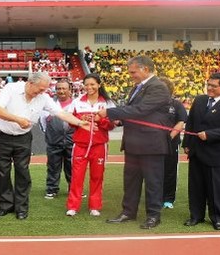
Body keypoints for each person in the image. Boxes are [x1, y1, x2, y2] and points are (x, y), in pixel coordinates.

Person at [0, 72, 89, 220]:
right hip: (2, 136)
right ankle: (5, 205)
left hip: (23, 138)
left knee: (22, 172)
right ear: (30, 83)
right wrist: (17, 119)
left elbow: (60, 113)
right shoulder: (11, 88)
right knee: (2, 172)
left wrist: (79, 122)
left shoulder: (43, 97)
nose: (42, 92)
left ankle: (21, 208)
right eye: (40, 89)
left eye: (44, 89)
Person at [100, 55, 171, 229]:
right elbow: (136, 114)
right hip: (134, 143)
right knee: (130, 181)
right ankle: (128, 212)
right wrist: (121, 120)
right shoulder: (137, 87)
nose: (131, 75)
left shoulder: (158, 87)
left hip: (151, 144)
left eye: (133, 72)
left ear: (145, 69)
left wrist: (110, 112)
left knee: (153, 182)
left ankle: (153, 216)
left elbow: (141, 110)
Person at [182, 73, 220, 231]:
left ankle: (218, 218)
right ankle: (196, 216)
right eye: (208, 84)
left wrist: (210, 135)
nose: (209, 88)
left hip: (217, 155)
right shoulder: (200, 100)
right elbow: (191, 123)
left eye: (213, 86)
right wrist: (187, 143)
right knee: (196, 187)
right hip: (196, 152)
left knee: (217, 189)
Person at [65, 74, 115, 217]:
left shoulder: (108, 103)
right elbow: (70, 122)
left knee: (97, 176)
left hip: (99, 145)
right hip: (80, 145)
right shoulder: (77, 102)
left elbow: (112, 125)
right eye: (86, 85)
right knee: (77, 177)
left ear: (99, 85)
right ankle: (73, 206)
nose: (89, 87)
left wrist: (101, 120)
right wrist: (81, 119)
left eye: (92, 84)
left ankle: (95, 206)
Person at [40, 79, 75, 199]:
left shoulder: (76, 104)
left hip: (72, 141)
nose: (61, 91)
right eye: (59, 88)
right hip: (54, 141)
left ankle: (74, 189)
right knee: (53, 167)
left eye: (64, 88)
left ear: (70, 90)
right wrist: (52, 133)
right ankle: (52, 189)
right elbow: (43, 122)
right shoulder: (49, 105)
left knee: (73, 167)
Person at [160, 78, 187, 209]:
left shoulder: (176, 105)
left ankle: (168, 199)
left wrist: (169, 136)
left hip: (170, 143)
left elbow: (181, 122)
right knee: (154, 171)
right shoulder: (150, 104)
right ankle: (156, 197)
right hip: (153, 144)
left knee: (170, 171)